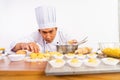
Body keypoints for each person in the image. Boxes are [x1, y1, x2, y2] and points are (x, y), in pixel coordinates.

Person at [10, 6, 78, 53]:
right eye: (44, 32)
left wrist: (74, 45)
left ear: (56, 29)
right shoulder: (36, 34)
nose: (48, 36)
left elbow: (77, 47)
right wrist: (23, 45)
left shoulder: (63, 33)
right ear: (39, 31)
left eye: (51, 31)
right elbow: (12, 45)